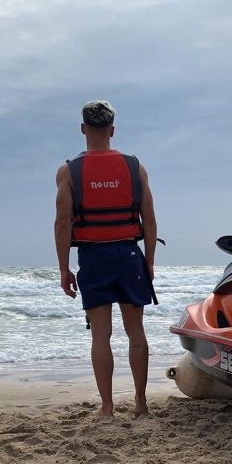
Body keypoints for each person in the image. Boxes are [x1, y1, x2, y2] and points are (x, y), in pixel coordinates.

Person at [54, 100, 158, 418]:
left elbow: (62, 223)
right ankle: (140, 404)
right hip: (128, 254)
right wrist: (149, 262)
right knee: (135, 332)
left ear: (84, 128)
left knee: (101, 335)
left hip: (93, 257)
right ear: (112, 130)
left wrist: (64, 269)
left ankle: (108, 407)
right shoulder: (133, 167)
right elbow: (150, 220)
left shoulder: (69, 172)